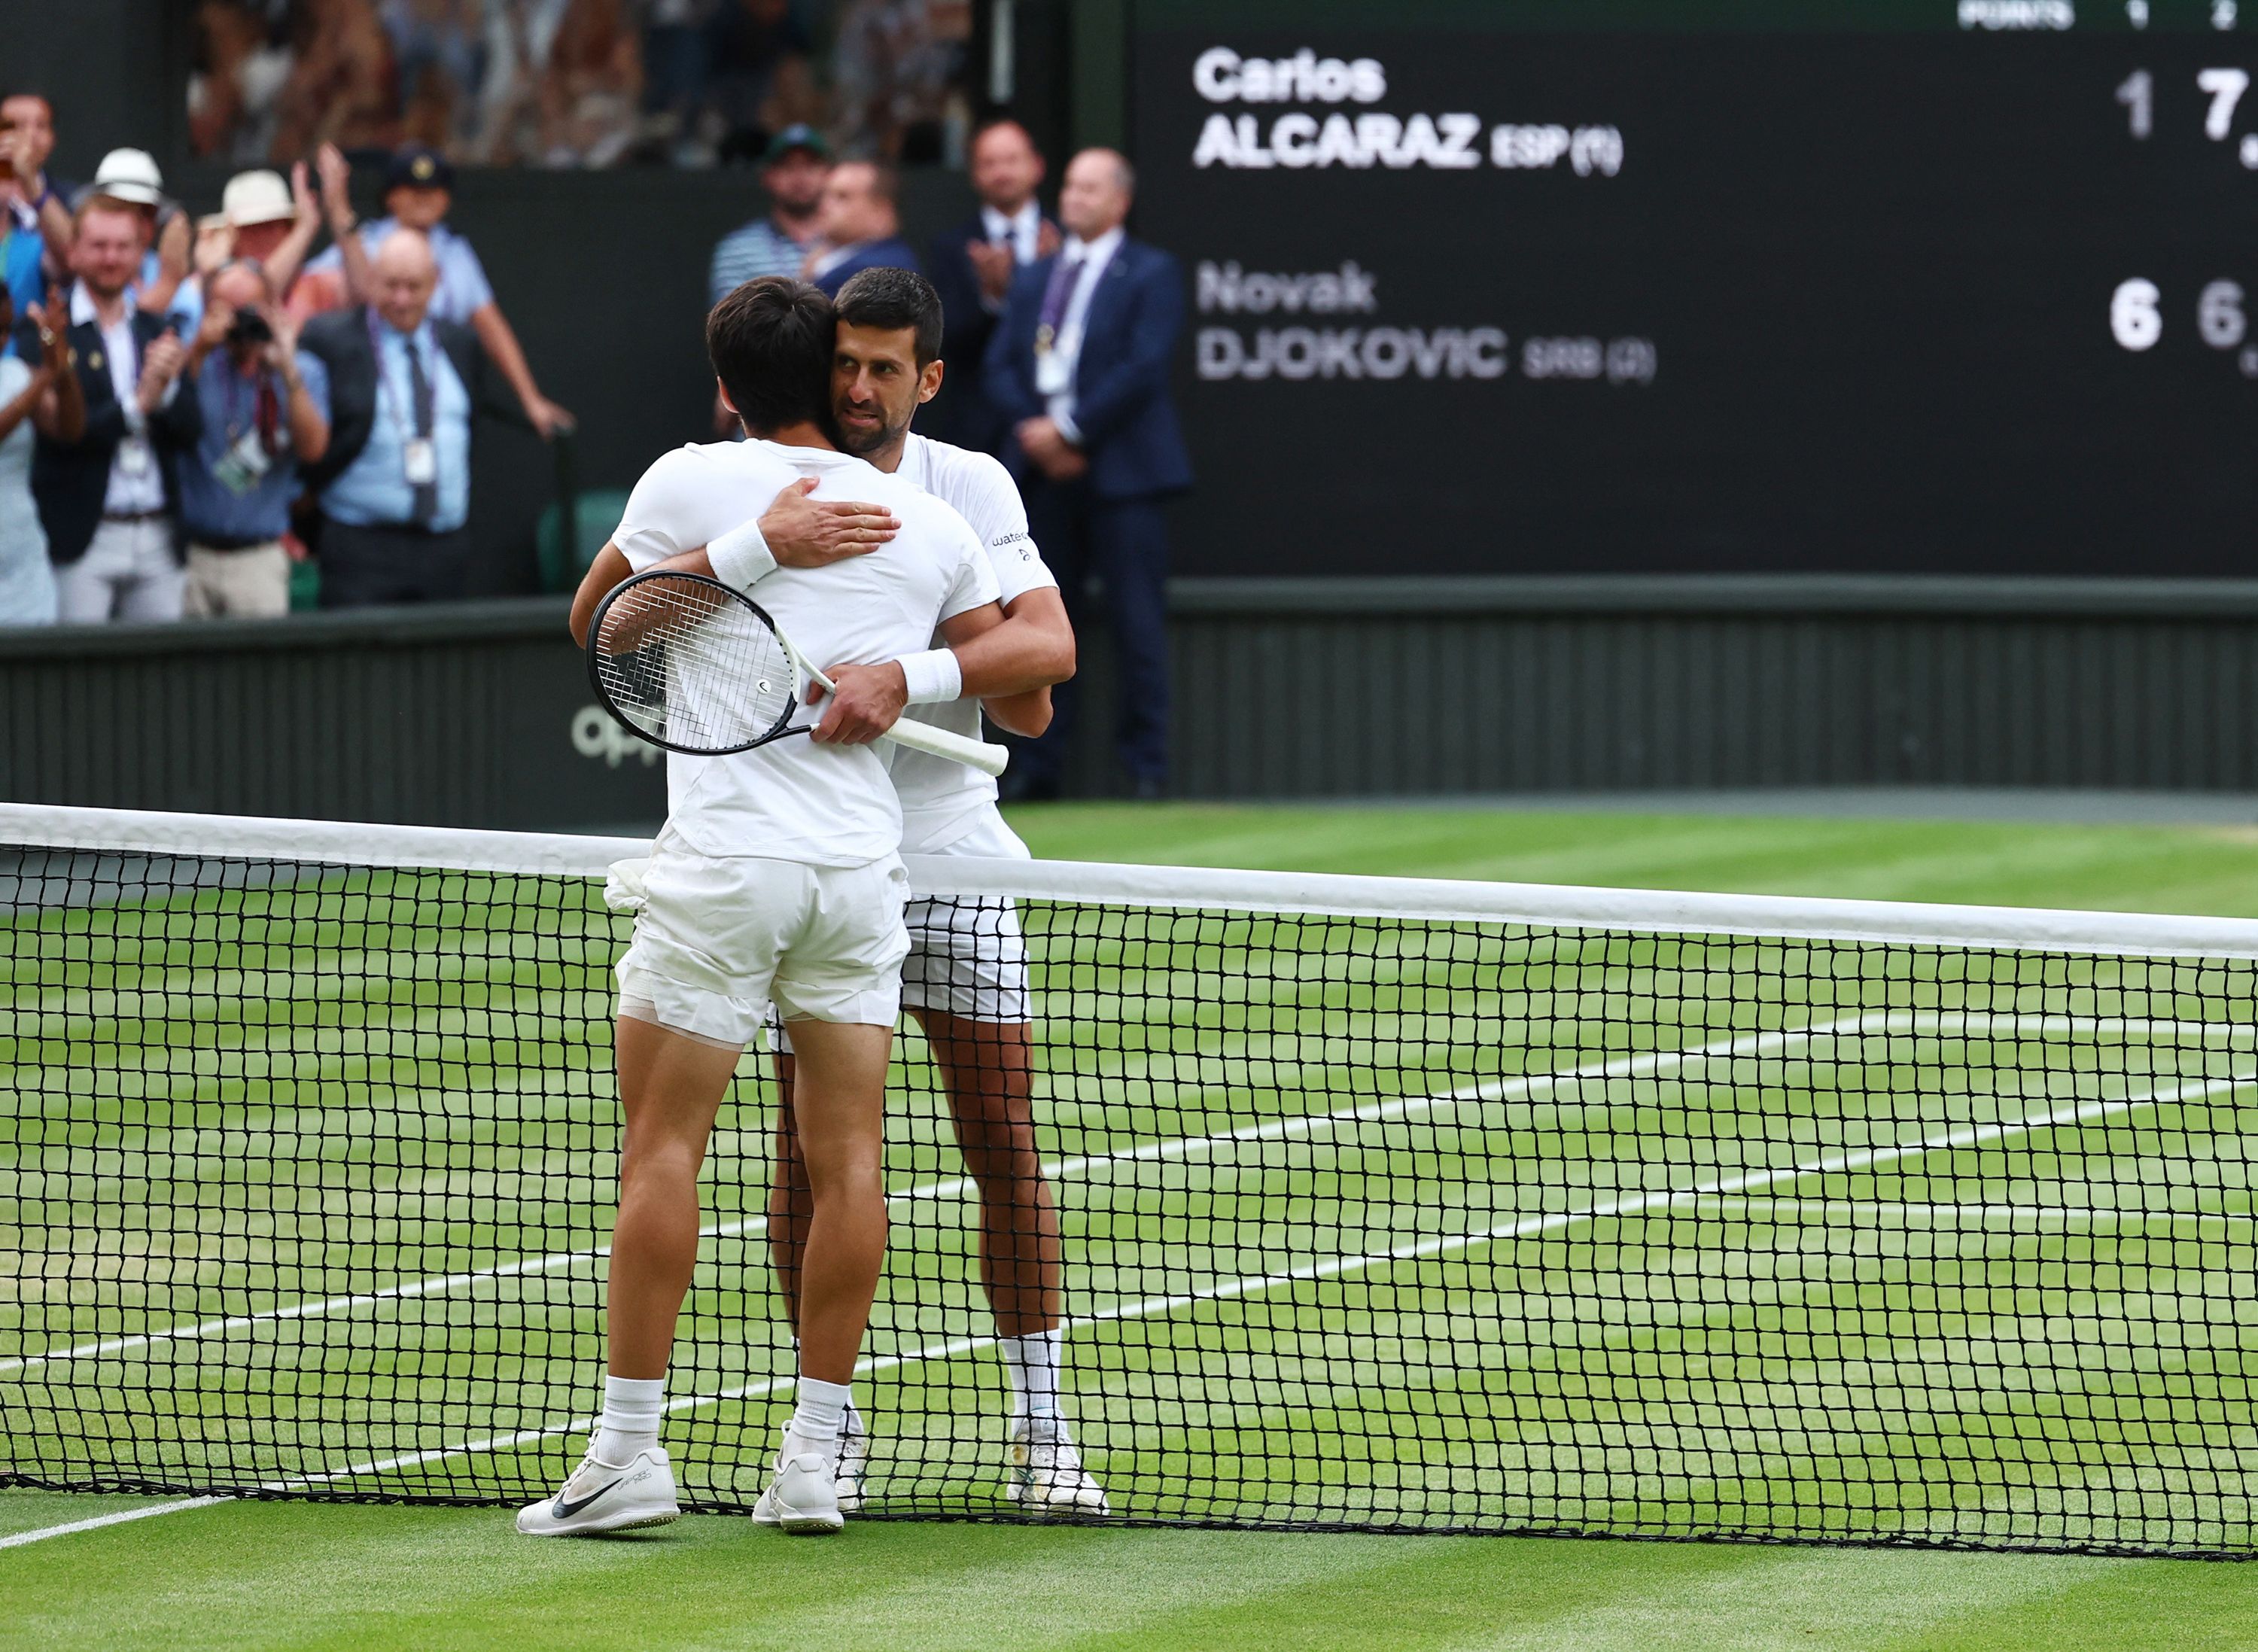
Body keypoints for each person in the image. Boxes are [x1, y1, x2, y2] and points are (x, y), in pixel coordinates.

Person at [526, 275, 1055, 1538]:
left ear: (724, 389)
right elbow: (1029, 703)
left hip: (725, 874)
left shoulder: (684, 482)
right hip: (858, 882)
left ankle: (629, 1454)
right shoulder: (923, 527)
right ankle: (816, 1459)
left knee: (664, 1154)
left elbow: (597, 629)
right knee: (849, 1162)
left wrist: (788, 583)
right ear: (827, 374)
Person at [757, 264, 1099, 1514]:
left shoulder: (971, 485)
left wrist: (909, 673)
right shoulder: (776, 486)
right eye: (843, 364)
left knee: (1002, 1138)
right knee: (810, 1155)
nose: (857, 388)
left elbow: (1043, 662)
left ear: (929, 377)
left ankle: (1045, 1433)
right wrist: (979, 658)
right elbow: (1014, 664)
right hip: (826, 860)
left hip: (949, 855)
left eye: (883, 369)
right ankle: (824, 1429)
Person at [986, 148, 1192, 800]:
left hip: (1123, 473)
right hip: (1042, 476)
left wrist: (1073, 431)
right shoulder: (1035, 274)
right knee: (1040, 621)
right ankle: (1039, 769)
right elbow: (1000, 364)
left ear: (1120, 200)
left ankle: (1146, 769)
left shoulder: (1153, 272)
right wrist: (1037, 431)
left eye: (1089, 188)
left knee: (1136, 621)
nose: (1073, 198)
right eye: (1069, 186)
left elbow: (1143, 365)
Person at [297, 229, 530, 606]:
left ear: (435, 282)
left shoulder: (460, 342)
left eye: (414, 286)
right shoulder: (333, 341)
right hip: (359, 546)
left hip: (443, 547)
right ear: (371, 279)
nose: (402, 300)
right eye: (390, 286)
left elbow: (467, 429)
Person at [303, 145, 574, 437]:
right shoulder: (366, 241)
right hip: (374, 383)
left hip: (438, 385)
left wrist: (530, 398)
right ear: (390, 196)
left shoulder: (456, 252)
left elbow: (490, 324)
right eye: (412, 188)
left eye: (433, 189)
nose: (423, 198)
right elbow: (326, 292)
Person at [30, 197, 201, 623]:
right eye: (99, 245)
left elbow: (192, 429)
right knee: (77, 677)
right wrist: (139, 404)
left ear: (141, 253)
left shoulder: (155, 328)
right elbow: (67, 432)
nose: (111, 257)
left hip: (158, 533)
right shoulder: (50, 330)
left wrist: (166, 392)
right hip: (85, 535)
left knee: (160, 680)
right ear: (73, 252)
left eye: (123, 246)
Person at [175, 260, 329, 618]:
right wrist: (199, 346)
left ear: (273, 307)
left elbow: (313, 449)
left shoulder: (302, 370)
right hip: (192, 556)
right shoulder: (197, 359)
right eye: (227, 309)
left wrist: (286, 370)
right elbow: (169, 419)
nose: (239, 321)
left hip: (259, 556)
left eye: (248, 309)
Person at [924, 118, 1058, 453]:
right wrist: (992, 299)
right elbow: (944, 338)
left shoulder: (1065, 241)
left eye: (1012, 160)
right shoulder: (953, 247)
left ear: (1037, 166)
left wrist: (1052, 280)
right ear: (973, 173)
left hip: (1058, 424)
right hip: (981, 426)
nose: (1002, 172)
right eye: (990, 163)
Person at [0, 282, 81, 624]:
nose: (0, 340)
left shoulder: (15, 374)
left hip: (22, 566)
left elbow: (70, 429)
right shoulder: (30, 381)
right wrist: (46, 375)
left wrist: (61, 372)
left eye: (4, 329)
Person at [708, 123, 829, 306]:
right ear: (768, 177)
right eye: (788, 167)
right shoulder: (738, 250)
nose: (800, 177)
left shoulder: (852, 244)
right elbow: (732, 328)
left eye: (810, 166)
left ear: (828, 173)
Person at [802, 160, 918, 300]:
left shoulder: (876, 273)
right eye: (824, 195)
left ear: (881, 211)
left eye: (842, 197)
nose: (824, 206)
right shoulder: (833, 257)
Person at [0, 93, 62, 321]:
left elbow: (70, 261)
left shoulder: (70, 199)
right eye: (15, 126)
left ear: (52, 137)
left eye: (40, 125)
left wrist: (30, 181)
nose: (29, 135)